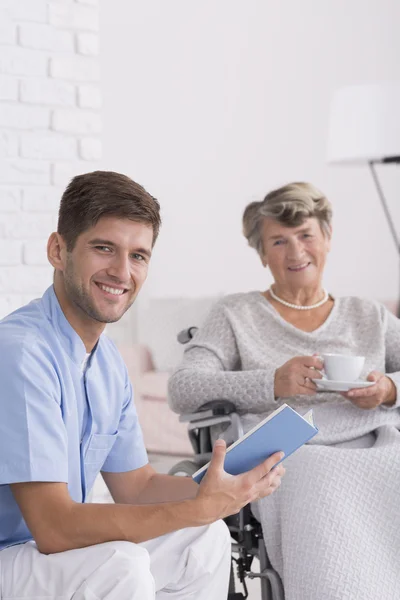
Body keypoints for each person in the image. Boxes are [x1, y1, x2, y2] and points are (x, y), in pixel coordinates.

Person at [0, 171, 285, 600]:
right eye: (103, 248)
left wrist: (220, 489)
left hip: (42, 554)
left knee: (201, 538)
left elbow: (137, 487)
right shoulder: (21, 352)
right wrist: (193, 507)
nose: (121, 271)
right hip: (12, 552)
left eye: (138, 256)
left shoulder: (108, 361)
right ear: (58, 251)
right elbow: (54, 527)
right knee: (120, 564)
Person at [168, 182, 400, 600]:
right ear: (261, 253)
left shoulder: (369, 315)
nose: (295, 252)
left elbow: (392, 385)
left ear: (326, 239)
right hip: (292, 450)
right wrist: (272, 382)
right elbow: (183, 388)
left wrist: (387, 389)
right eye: (279, 241)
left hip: (375, 437)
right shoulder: (236, 312)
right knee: (310, 472)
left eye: (306, 235)